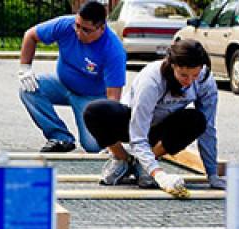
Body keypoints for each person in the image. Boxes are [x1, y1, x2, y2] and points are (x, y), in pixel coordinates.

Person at [84, 39, 224, 197]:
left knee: (198, 120)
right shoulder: (152, 80)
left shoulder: (205, 81)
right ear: (172, 66)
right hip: (131, 124)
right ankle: (122, 159)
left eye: (195, 75)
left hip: (160, 130)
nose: (189, 81)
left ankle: (141, 164)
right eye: (184, 75)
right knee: (94, 111)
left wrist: (212, 175)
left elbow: (209, 130)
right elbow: (137, 135)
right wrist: (159, 174)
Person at [18, 0, 126, 153]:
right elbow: (30, 35)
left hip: (90, 98)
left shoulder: (113, 50)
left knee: (93, 146)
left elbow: (113, 99)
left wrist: (109, 135)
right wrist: (25, 68)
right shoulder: (65, 25)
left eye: (86, 30)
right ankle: (60, 137)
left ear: (102, 28)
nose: (78, 32)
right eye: (77, 26)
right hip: (62, 84)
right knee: (28, 89)